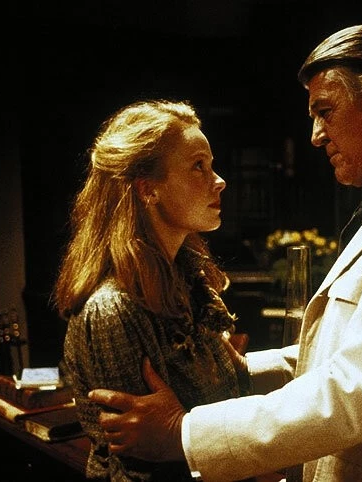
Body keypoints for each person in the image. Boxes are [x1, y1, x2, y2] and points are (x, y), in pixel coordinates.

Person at [88, 24, 362, 482]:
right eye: (197, 166)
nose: (315, 135)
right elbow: (350, 355)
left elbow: (357, 388)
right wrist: (235, 372)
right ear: (146, 189)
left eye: (325, 111)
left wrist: (182, 434)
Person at [53, 99, 254, 481]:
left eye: (210, 165)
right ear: (148, 190)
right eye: (198, 166)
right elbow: (138, 470)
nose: (219, 180)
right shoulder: (113, 310)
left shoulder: (188, 285)